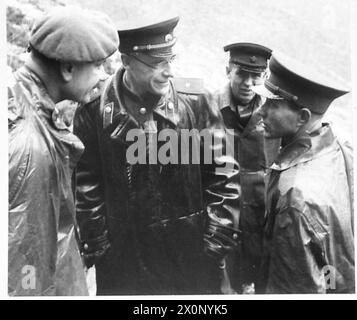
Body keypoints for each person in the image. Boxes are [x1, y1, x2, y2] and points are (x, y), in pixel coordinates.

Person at [73, 16, 241, 295]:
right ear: (126, 61)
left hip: (189, 258)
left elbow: (224, 174)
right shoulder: (93, 110)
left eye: (171, 59)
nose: (169, 71)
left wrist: (215, 245)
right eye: (157, 63)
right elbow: (85, 183)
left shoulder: (197, 102)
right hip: (124, 263)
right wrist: (99, 247)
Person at [8, 7, 119, 295]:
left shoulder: (19, 100)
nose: (102, 76)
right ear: (68, 68)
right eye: (97, 66)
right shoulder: (31, 146)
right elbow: (25, 265)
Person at [253, 52, 354, 293]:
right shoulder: (342, 147)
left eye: (273, 104)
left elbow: (291, 290)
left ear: (302, 117)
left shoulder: (293, 198)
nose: (260, 111)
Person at [214, 43, 280, 293]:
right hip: (220, 223)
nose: (248, 82)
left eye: (256, 76)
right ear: (227, 70)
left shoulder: (273, 115)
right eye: (242, 73)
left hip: (259, 225)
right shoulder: (206, 108)